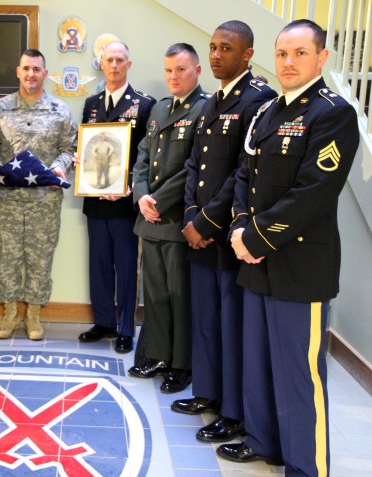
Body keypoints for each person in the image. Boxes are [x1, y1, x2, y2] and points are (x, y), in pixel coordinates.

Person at [218, 20, 359, 475]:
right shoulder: (267, 112)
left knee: (300, 376)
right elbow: (245, 174)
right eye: (282, 53)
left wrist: (254, 238)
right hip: (255, 260)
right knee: (259, 363)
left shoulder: (333, 113)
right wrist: (240, 228)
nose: (289, 62)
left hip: (299, 264)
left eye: (300, 53)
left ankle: (305, 466)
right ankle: (263, 441)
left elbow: (314, 191)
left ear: (321, 58)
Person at [173, 20, 277, 439]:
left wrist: (205, 221)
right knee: (206, 320)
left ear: (248, 54)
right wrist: (188, 216)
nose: (216, 55)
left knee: (233, 326)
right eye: (212, 47)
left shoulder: (259, 100)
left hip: (227, 231)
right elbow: (194, 165)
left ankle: (233, 412)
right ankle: (209, 392)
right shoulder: (210, 102)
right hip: (198, 231)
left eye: (226, 49)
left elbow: (242, 173)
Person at [0, 49, 77, 340]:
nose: (31, 74)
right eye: (26, 69)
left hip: (44, 201)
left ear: (45, 73)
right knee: (7, 257)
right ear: (18, 72)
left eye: (37, 69)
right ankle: (10, 314)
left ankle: (33, 315)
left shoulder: (60, 110)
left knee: (40, 258)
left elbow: (69, 148)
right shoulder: (0, 109)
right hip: (7, 200)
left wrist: (60, 167)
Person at [128, 43, 209, 393]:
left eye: (180, 69)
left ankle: (181, 364)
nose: (173, 77)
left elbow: (193, 167)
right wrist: (140, 193)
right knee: (156, 294)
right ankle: (158, 355)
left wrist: (158, 199)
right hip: (151, 216)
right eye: (168, 71)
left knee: (179, 294)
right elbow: (143, 155)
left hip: (176, 218)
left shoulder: (205, 108)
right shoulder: (160, 108)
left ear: (197, 71)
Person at [78, 41, 156, 354]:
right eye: (109, 60)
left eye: (120, 60)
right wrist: (79, 160)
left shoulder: (143, 104)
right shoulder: (92, 103)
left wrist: (127, 186)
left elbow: (146, 154)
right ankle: (104, 322)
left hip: (124, 202)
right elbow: (88, 146)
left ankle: (125, 327)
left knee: (125, 266)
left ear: (128, 64)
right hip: (95, 200)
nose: (114, 65)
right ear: (101, 63)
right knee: (98, 264)